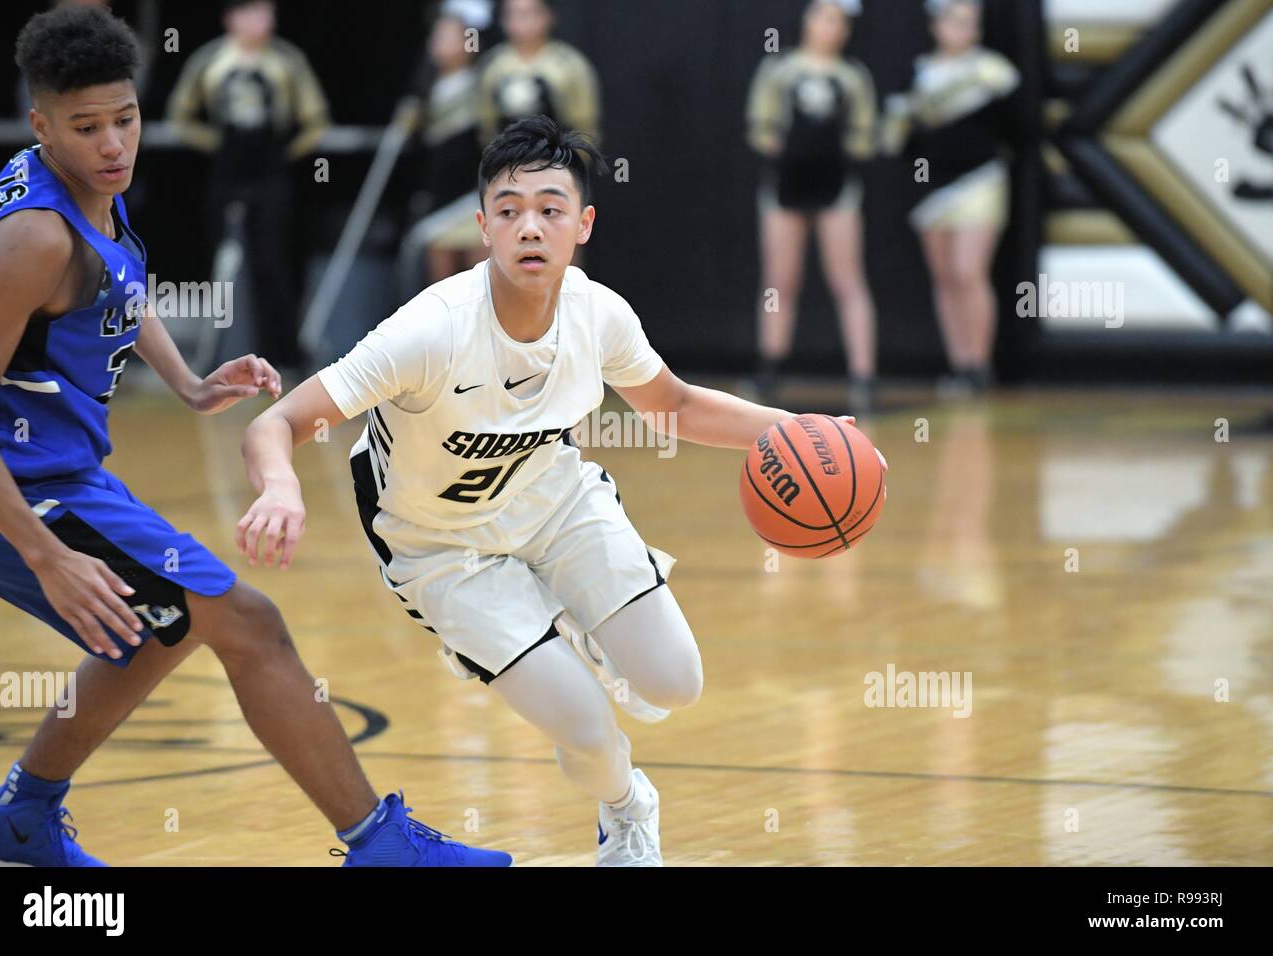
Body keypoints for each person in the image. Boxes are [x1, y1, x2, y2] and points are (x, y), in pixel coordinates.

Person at [236, 115, 888, 866]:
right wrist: (281, 488)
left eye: (550, 208)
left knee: (675, 682)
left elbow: (672, 405)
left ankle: (574, 621)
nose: (530, 227)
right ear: (482, 226)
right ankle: (626, 809)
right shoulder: (428, 331)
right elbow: (277, 421)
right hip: (442, 548)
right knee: (585, 729)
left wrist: (802, 428)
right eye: (509, 210)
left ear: (583, 224)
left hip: (558, 506)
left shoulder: (598, 314)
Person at [0, 6, 509, 868]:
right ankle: (378, 846)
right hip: (13, 485)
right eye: (87, 128)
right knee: (247, 622)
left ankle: (20, 815)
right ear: (41, 125)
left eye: (126, 118)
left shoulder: (76, 189)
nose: (114, 143)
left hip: (61, 469)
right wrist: (43, 553)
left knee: (159, 628)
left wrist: (186, 381)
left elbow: (112, 283)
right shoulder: (31, 237)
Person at [166, 0, 330, 375]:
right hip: (225, 173)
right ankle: (213, 355)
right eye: (254, 12)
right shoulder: (210, 60)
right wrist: (215, 144)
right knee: (219, 259)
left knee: (272, 262)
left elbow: (315, 117)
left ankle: (282, 355)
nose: (263, 20)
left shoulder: (287, 60)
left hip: (271, 175)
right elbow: (180, 113)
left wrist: (286, 153)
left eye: (268, 12)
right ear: (231, 18)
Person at [746, 0, 879, 413]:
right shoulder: (780, 71)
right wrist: (788, 152)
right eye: (822, 16)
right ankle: (769, 368)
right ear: (807, 20)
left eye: (838, 21)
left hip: (836, 188)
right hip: (786, 186)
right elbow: (759, 125)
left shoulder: (853, 77)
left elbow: (865, 133)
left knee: (848, 279)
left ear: (847, 29)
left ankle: (863, 375)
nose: (828, 27)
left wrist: (836, 154)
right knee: (780, 280)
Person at [884, 0, 1019, 394]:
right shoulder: (918, 73)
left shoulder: (992, 71)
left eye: (970, 23)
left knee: (968, 271)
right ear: (937, 25)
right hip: (931, 187)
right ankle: (960, 365)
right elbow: (897, 140)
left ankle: (980, 366)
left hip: (980, 180)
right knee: (944, 277)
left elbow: (1018, 126)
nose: (964, 30)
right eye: (956, 21)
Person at [398, 11, 488, 287]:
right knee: (442, 288)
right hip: (439, 196)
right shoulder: (424, 91)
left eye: (450, 36)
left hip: (474, 193)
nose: (440, 43)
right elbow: (412, 142)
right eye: (437, 36)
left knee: (481, 284)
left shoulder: (483, 84)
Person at [477, 0, 600, 144]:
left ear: (549, 15)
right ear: (503, 19)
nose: (523, 20)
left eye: (531, 12)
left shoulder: (570, 63)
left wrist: (574, 162)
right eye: (514, 13)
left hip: (558, 158)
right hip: (506, 158)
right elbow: (485, 124)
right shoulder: (493, 64)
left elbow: (585, 124)